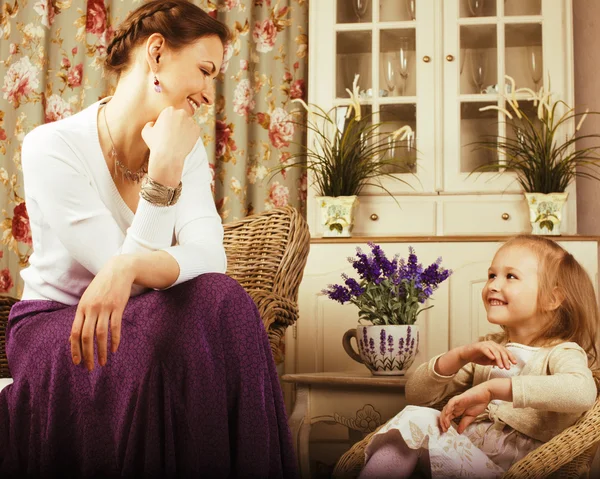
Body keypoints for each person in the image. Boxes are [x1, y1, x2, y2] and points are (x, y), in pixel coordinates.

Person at [0, 1, 298, 477]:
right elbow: (125, 283)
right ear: (156, 52)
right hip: (60, 320)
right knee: (151, 341)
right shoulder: (52, 147)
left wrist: (127, 265)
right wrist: (160, 177)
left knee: (222, 297)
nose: (207, 92)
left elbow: (209, 258)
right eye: (203, 70)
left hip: (147, 313)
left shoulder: (186, 147)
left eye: (215, 77)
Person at [359, 235, 598, 479]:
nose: (493, 285)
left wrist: (494, 389)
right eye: (492, 275)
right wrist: (459, 356)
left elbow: (582, 392)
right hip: (470, 459)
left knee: (418, 421)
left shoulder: (561, 352)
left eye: (510, 276)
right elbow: (416, 395)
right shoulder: (487, 349)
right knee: (415, 420)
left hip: (515, 470)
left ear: (552, 299)